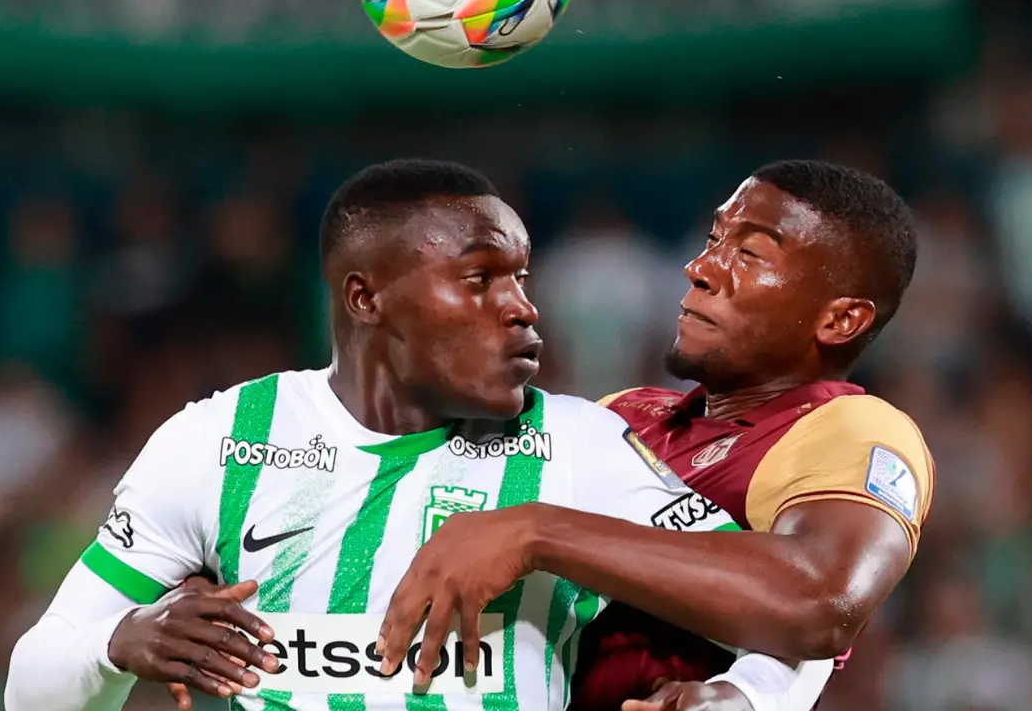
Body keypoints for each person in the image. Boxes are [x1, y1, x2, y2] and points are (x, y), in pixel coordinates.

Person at [4, 160, 832, 711]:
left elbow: (798, 617)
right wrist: (119, 644)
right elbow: (32, 681)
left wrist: (745, 697)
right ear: (366, 299)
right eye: (479, 280)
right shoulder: (220, 441)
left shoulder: (580, 449)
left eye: (520, 278)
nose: (522, 308)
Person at [374, 160, 934, 711]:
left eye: (750, 253)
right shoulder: (619, 416)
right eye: (715, 239)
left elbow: (822, 601)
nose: (701, 266)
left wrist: (539, 533)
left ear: (840, 321)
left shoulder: (848, 428)